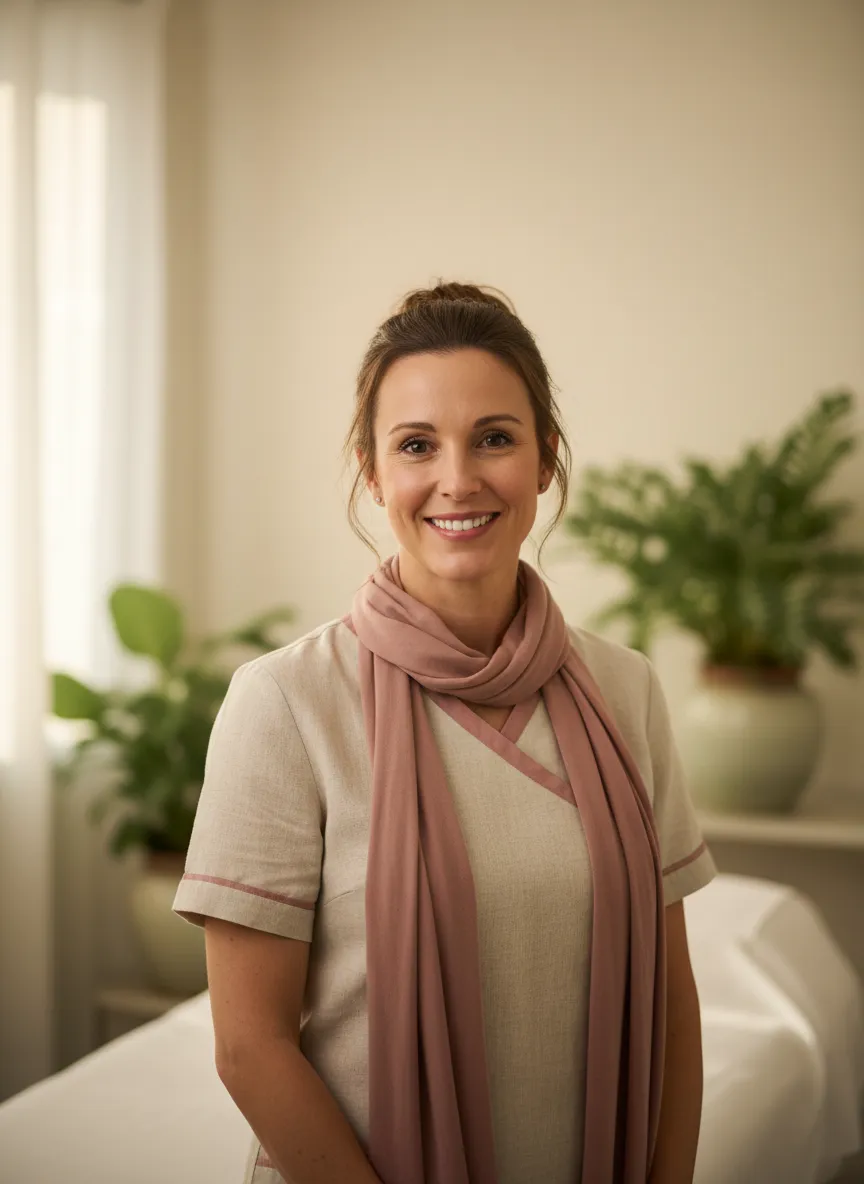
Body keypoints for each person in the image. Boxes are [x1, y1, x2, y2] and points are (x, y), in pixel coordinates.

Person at [172, 281, 717, 1184]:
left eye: (495, 438)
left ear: (544, 459)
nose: (457, 479)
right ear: (373, 470)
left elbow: (674, 1003)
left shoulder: (629, 692)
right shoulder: (285, 704)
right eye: (417, 445)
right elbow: (250, 1047)